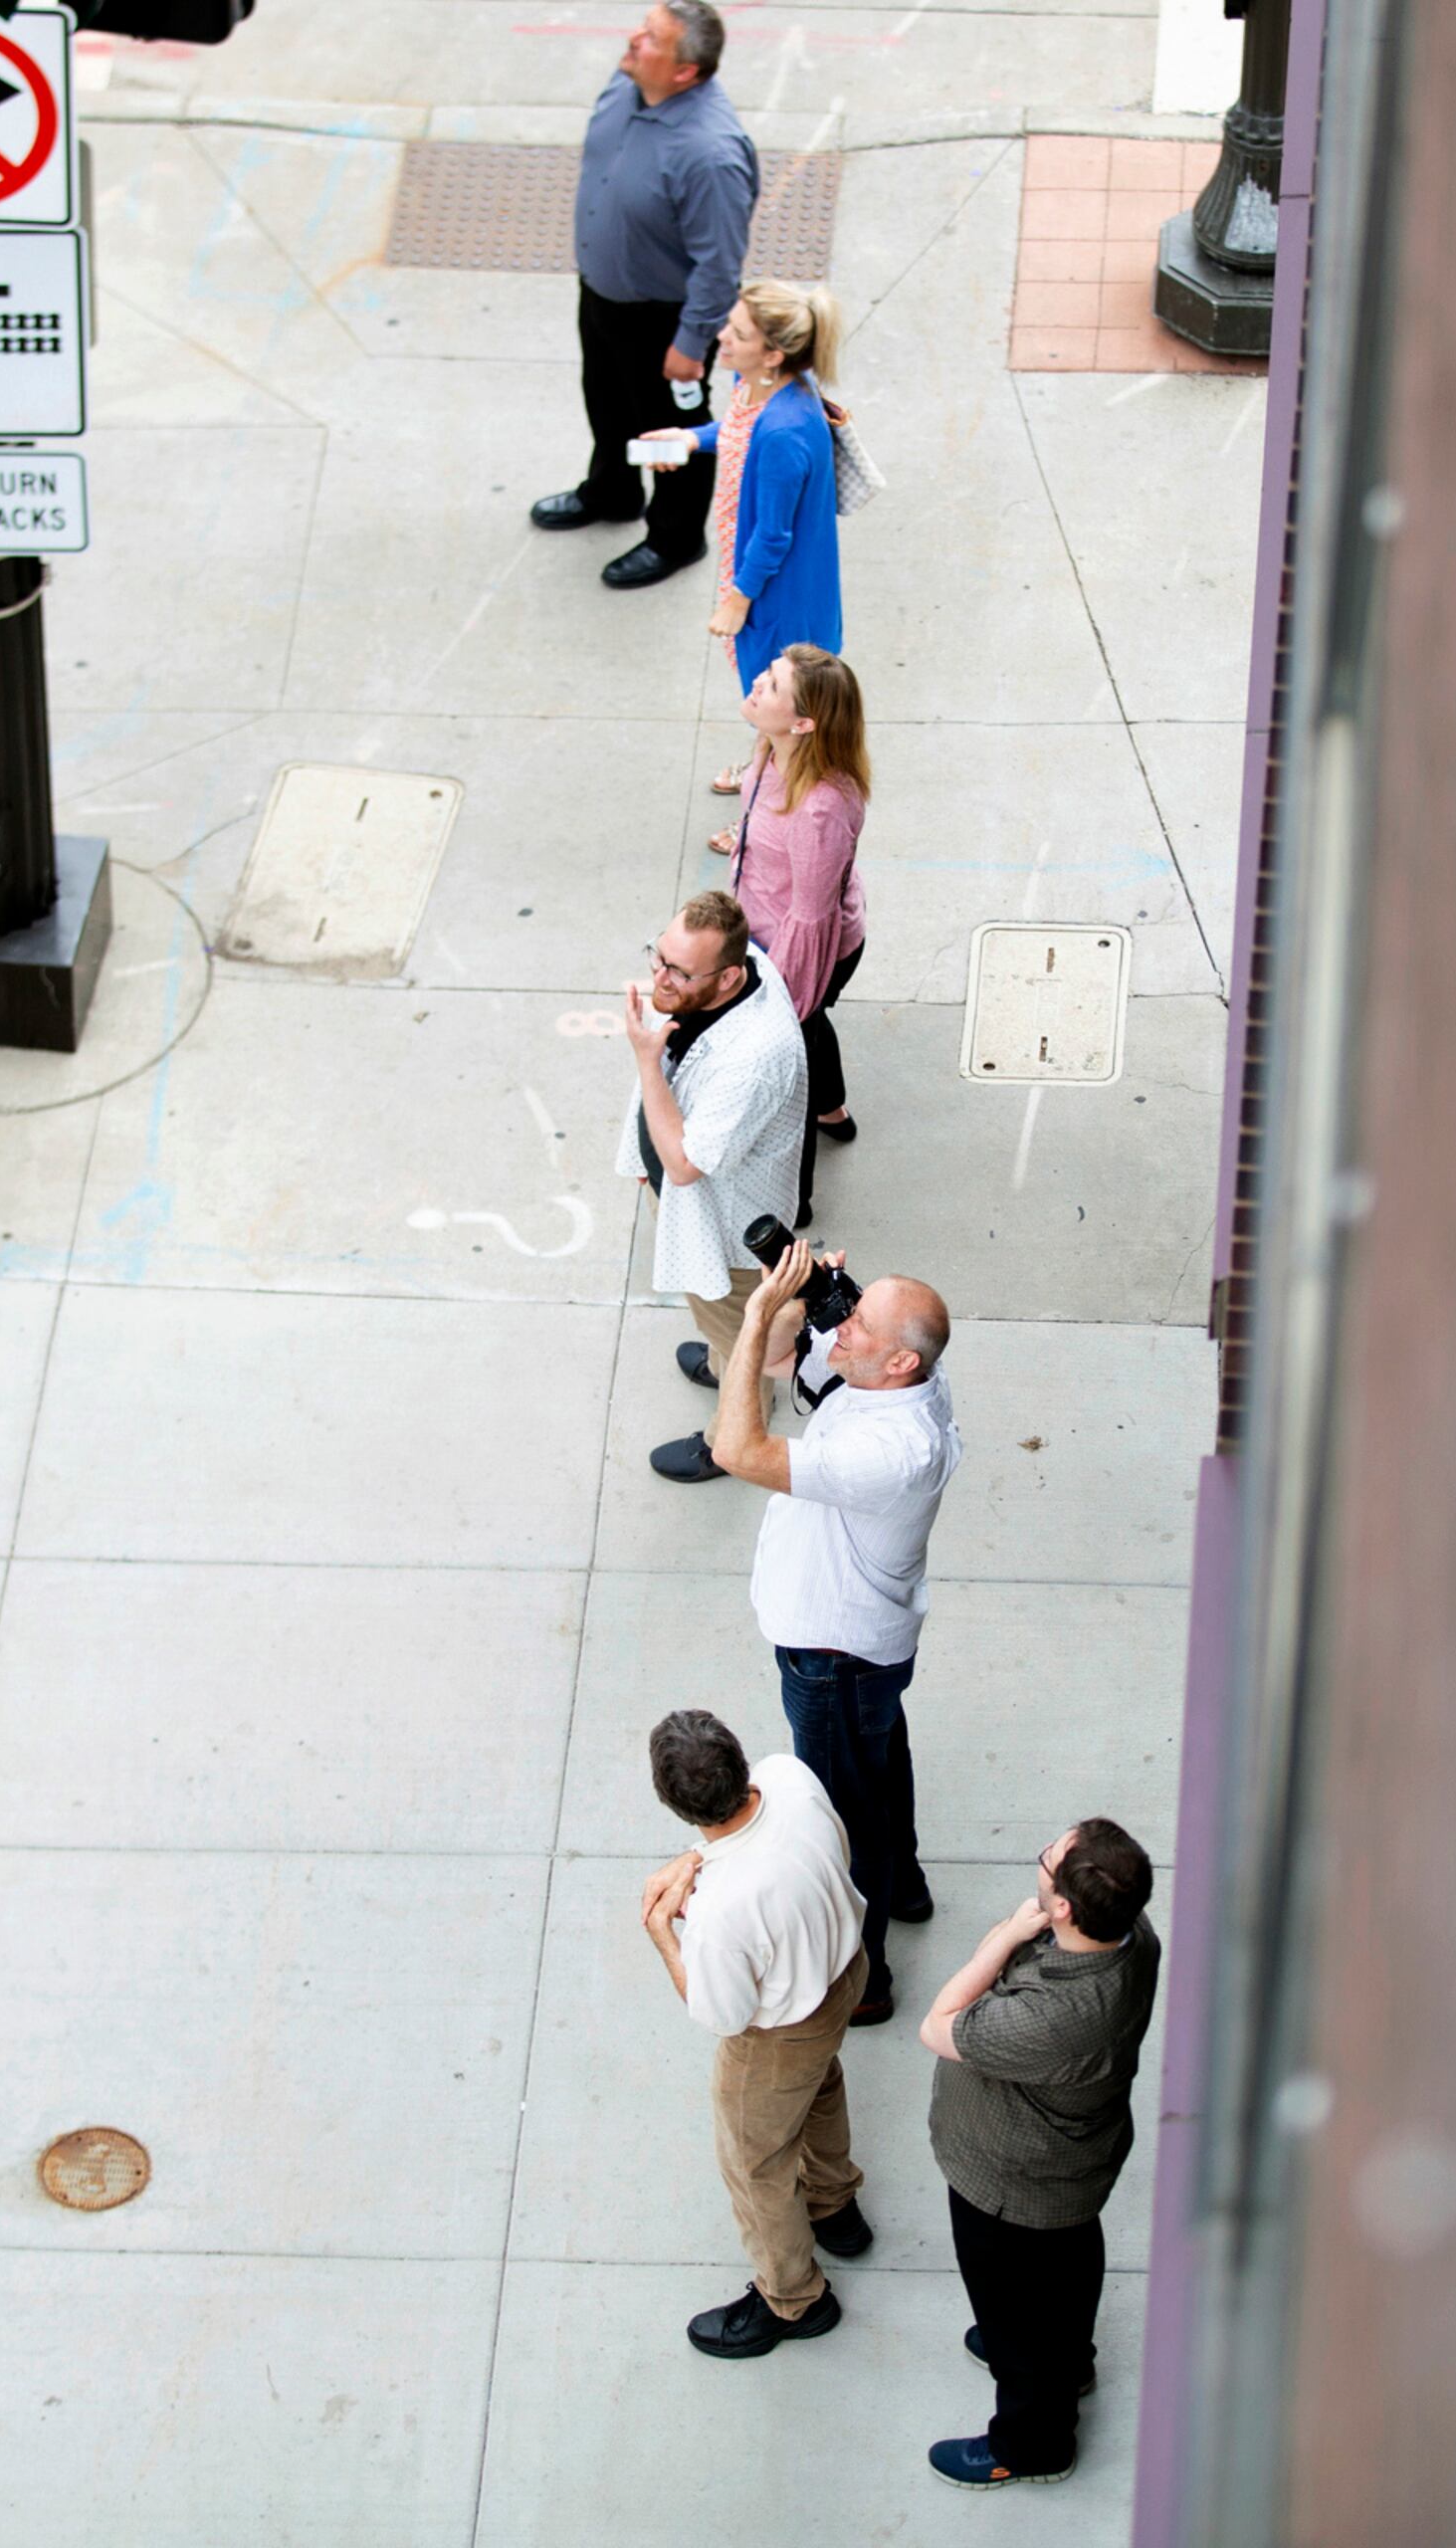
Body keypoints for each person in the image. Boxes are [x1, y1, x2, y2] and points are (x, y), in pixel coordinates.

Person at [706, 1239, 960, 2020]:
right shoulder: (893, 1378)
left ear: (900, 1367)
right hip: (864, 1649)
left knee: (845, 1822)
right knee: (883, 1762)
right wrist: (797, 1302)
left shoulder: (889, 1449)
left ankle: (867, 1979)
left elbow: (735, 1447)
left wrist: (750, 1318)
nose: (841, 1329)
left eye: (858, 1328)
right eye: (850, 1310)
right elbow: (791, 1360)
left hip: (832, 1657)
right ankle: (908, 1887)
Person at [917, 1819, 1161, 2488]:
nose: (1047, 1850)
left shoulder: (1057, 2016)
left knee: (1012, 2313)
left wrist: (1002, 1938)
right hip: (1068, 2171)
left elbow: (937, 2026)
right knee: (1067, 2263)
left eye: (1049, 1857)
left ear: (1062, 1909)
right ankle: (1070, 2363)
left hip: (1011, 2184)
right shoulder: (1135, 1938)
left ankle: (1030, 2444)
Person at [639, 1708, 875, 2357]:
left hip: (782, 2032)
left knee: (756, 2163)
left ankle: (793, 2299)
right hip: (844, 1974)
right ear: (739, 1761)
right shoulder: (790, 1779)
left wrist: (665, 1939)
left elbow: (722, 2014)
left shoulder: (718, 1913)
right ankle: (834, 2207)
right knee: (820, 2087)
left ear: (674, 1802)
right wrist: (698, 1854)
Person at [530, 0, 755, 591]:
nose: (634, 40)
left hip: (664, 320)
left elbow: (719, 263)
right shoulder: (625, 86)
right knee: (605, 401)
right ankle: (612, 492)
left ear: (685, 71)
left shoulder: (710, 155)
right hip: (604, 295)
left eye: (652, 38)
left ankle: (676, 538)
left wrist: (690, 343)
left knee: (669, 434)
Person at [624, 889, 806, 1484]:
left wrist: (648, 1060)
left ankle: (730, 1436)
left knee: (745, 1328)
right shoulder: (745, 960)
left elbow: (685, 1167)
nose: (662, 978)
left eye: (679, 971)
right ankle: (722, 1354)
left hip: (727, 1231)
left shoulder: (752, 1056)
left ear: (728, 976)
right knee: (717, 1322)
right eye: (660, 957)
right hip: (696, 1204)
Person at [708, 644, 871, 1214]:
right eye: (770, 672)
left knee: (787, 1069)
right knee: (811, 1030)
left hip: (804, 950)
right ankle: (835, 1109)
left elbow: (812, 916)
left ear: (804, 722)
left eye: (772, 685)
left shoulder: (821, 808)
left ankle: (791, 1200)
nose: (758, 682)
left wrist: (788, 1005)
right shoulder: (774, 749)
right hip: (771, 934)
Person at [649, 279, 847, 692]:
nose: (722, 337)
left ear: (773, 354)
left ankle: (771, 756)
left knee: (775, 701)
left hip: (778, 598)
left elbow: (773, 535)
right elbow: (740, 429)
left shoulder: (783, 434)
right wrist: (692, 439)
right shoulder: (761, 383)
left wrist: (737, 603)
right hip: (761, 574)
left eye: (738, 334)